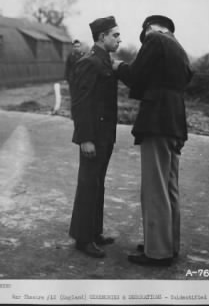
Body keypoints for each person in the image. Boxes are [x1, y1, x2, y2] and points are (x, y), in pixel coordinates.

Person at [113, 15, 193, 266]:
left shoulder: (155, 39)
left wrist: (117, 67)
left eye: (144, 33)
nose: (145, 37)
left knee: (155, 188)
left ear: (150, 28)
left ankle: (157, 252)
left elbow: (137, 75)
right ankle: (168, 245)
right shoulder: (178, 49)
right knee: (169, 188)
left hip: (157, 121)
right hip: (174, 123)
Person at [69, 16, 122, 258]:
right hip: (93, 135)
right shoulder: (89, 62)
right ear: (102, 37)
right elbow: (80, 104)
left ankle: (94, 231)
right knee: (88, 183)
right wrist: (85, 138)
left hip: (105, 134)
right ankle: (83, 238)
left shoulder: (105, 61)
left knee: (98, 182)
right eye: (115, 35)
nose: (119, 39)